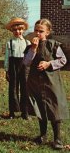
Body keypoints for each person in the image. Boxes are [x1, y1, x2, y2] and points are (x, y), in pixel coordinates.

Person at [23, 18, 69, 150]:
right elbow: (26, 62)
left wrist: (49, 63)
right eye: (36, 30)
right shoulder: (31, 47)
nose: (37, 33)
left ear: (47, 32)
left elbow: (63, 60)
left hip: (51, 82)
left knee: (54, 108)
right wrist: (33, 49)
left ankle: (57, 138)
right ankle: (42, 135)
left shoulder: (53, 45)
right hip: (36, 82)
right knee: (40, 108)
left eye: (41, 31)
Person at [4, 18, 31, 120]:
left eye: (20, 30)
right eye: (15, 30)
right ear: (12, 31)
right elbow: (7, 57)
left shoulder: (27, 43)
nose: (17, 32)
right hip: (13, 67)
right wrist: (7, 70)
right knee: (13, 89)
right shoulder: (10, 43)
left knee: (25, 89)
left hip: (24, 67)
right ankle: (12, 111)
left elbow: (30, 57)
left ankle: (25, 112)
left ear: (23, 30)